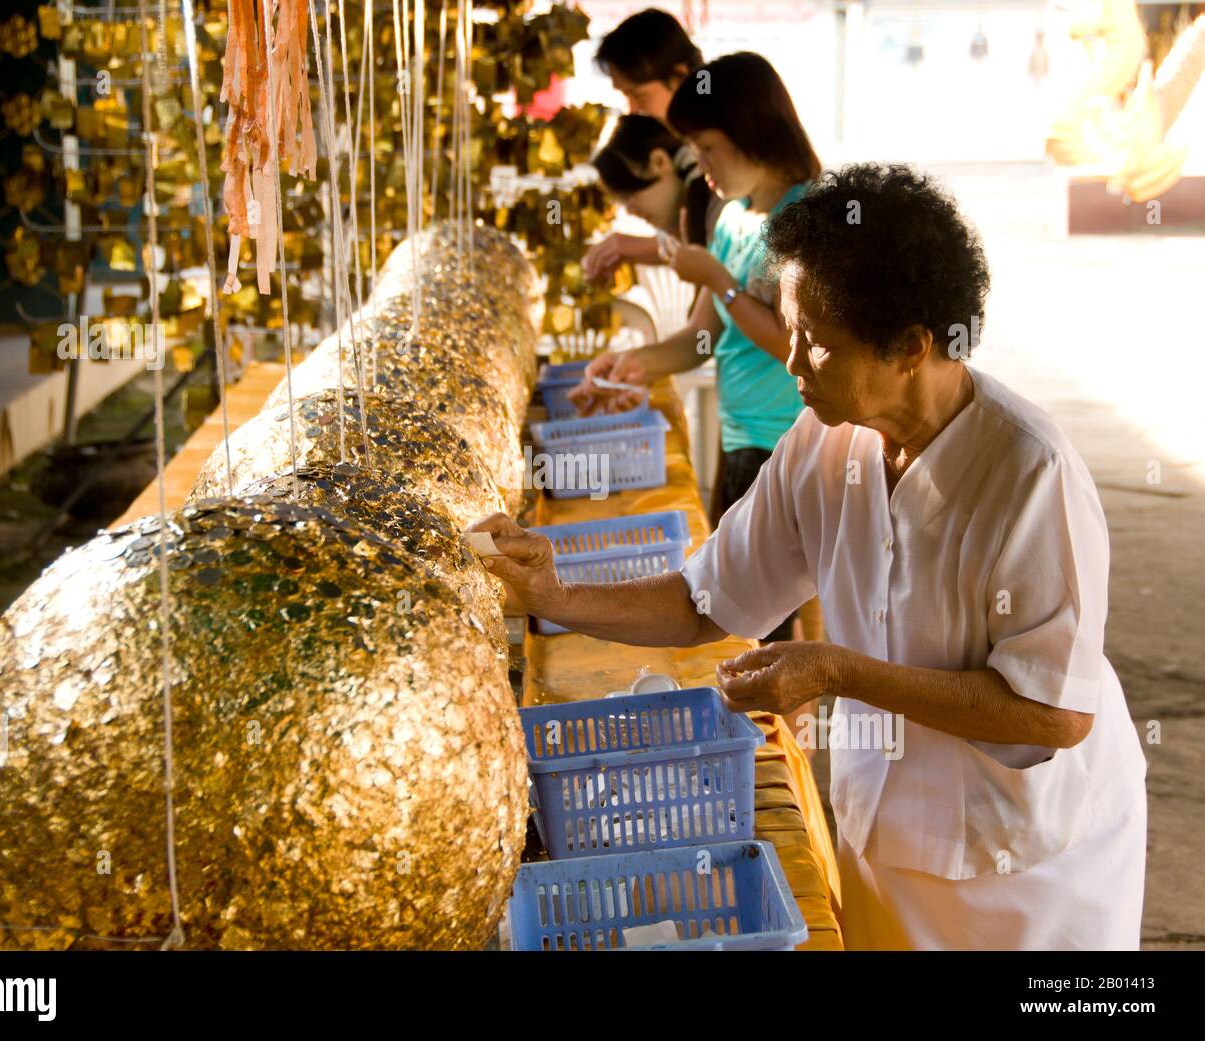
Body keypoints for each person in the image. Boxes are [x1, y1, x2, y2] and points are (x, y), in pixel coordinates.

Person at [473, 164, 1147, 950]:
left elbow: (1052, 711)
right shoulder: (825, 441)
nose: (790, 361)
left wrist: (838, 671)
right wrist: (557, 596)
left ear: (910, 348)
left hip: (1031, 869)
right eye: (787, 328)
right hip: (890, 836)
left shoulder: (1031, 475)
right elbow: (707, 598)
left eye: (816, 343)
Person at [572, 52, 821, 641]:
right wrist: (634, 365)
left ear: (751, 132)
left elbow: (795, 344)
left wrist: (721, 282)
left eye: (709, 148)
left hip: (786, 439)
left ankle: (781, 730)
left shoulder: (805, 217)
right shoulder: (733, 218)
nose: (701, 166)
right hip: (740, 439)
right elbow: (706, 338)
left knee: (766, 625)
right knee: (740, 614)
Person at [583, 10, 716, 281]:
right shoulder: (685, 141)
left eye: (638, 95)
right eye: (625, 96)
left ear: (678, 77)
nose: (631, 110)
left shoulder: (717, 141)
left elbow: (715, 249)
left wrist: (634, 246)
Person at [583, 115, 713, 284]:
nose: (630, 210)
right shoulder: (695, 216)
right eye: (621, 201)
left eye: (630, 195)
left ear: (660, 162)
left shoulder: (716, 209)